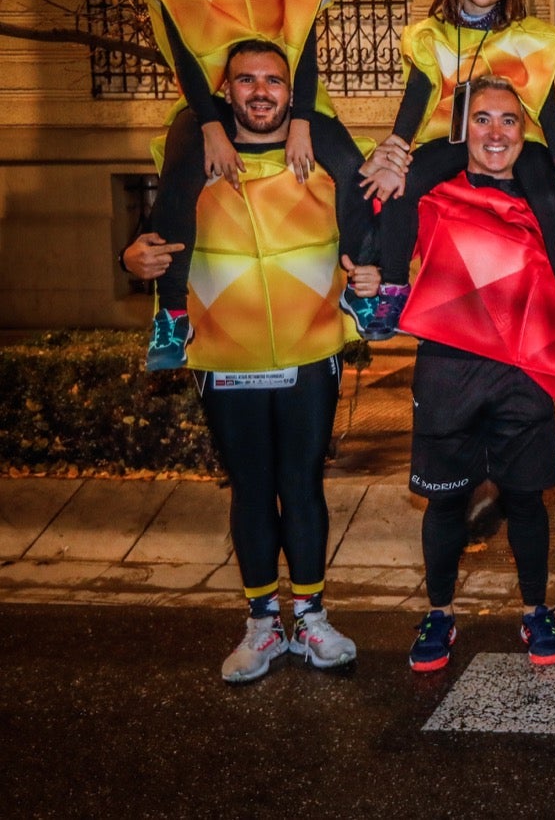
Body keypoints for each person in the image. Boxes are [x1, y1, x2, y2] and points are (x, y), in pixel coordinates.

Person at [123, 40, 369, 684]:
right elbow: (155, 236)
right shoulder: (192, 151)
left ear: (294, 91)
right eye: (246, 81)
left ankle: (310, 617)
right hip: (223, 353)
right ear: (225, 91)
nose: (261, 92)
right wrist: (132, 258)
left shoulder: (325, 150)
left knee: (303, 482)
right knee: (253, 487)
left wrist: (376, 277)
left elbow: (374, 220)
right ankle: (263, 623)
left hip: (309, 352)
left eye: (274, 81)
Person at [137, 0, 373, 371]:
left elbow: (305, 54)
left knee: (354, 170)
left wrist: (304, 124)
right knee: (178, 177)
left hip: (291, 100)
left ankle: (361, 286)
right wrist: (212, 126)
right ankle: (173, 315)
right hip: (206, 102)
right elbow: (185, 61)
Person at [402, 78, 555, 673]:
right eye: (482, 119)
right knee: (446, 504)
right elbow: (379, 226)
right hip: (447, 369)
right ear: (463, 129)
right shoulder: (431, 191)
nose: (496, 132)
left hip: (523, 369)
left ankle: (536, 610)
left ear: (525, 132)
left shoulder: (545, 200)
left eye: (509, 120)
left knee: (526, 498)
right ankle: (440, 613)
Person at [357, 0, 555, 360]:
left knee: (548, 195)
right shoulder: (432, 36)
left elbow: (547, 110)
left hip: (520, 140)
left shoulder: (530, 39)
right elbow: (416, 100)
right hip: (453, 136)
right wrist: (395, 149)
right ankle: (392, 287)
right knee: (401, 182)